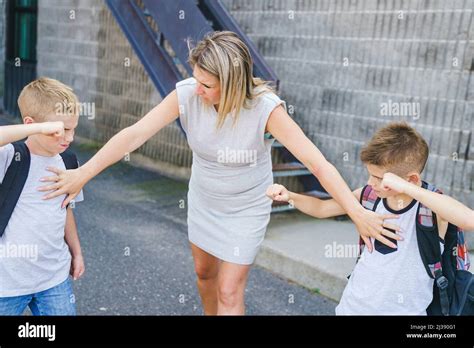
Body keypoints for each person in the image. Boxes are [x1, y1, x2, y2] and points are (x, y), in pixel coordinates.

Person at [38, 31, 400, 315]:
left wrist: (357, 212)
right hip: (205, 200)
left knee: (230, 289)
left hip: (247, 207)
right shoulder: (187, 95)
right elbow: (134, 134)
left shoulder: (265, 109)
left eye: (207, 84)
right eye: (196, 78)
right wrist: (82, 173)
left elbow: (318, 164)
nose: (198, 88)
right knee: (204, 276)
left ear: (233, 83)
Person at [267, 122, 474, 315]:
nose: (370, 182)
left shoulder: (430, 208)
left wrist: (407, 188)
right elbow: (322, 208)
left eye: (378, 178)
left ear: (410, 179)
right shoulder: (369, 195)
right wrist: (290, 197)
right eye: (370, 175)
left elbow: (468, 220)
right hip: (352, 307)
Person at [0, 77, 85, 315]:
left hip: (53, 279)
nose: (69, 138)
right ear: (31, 124)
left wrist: (76, 252)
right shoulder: (9, 157)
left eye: (72, 129)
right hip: (7, 282)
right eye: (60, 130)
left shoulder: (68, 161)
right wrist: (37, 128)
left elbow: (66, 209)